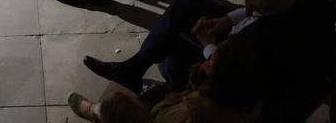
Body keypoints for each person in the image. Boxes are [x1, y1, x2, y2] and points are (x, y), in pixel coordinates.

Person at [83, 0, 336, 122]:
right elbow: (265, 9)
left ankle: (170, 84)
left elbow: (228, 69)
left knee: (174, 53)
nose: (244, 3)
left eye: (246, 0)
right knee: (186, 7)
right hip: (255, 36)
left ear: (258, 6)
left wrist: (208, 44)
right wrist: (227, 18)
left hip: (244, 68)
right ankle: (134, 69)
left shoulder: (257, 42)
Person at [68, 37, 260, 122]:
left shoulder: (190, 114)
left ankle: (94, 111)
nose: (205, 62)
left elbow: (159, 117)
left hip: (161, 112)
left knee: (117, 104)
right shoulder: (247, 96)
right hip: (183, 99)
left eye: (211, 63)